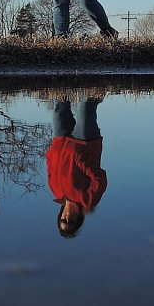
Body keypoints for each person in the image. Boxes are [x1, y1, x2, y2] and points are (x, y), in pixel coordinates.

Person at [46, 95, 108, 238]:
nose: (67, 218)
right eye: (71, 221)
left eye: (63, 220)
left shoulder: (56, 193)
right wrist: (82, 163)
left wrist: (50, 154)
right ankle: (99, 79)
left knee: (58, 107)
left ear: (59, 216)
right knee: (86, 108)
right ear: (78, 220)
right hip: (84, 144)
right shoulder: (87, 201)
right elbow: (100, 180)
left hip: (60, 143)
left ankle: (61, 75)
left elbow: (51, 171)